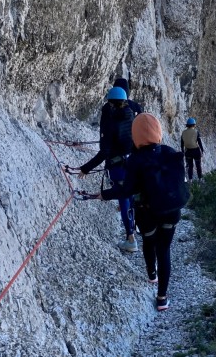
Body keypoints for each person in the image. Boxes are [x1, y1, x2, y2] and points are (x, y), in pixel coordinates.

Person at [102, 113, 182, 311]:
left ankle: (151, 275)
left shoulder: (135, 160)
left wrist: (102, 194)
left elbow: (126, 190)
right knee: (164, 250)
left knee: (148, 241)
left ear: (135, 135)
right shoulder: (170, 151)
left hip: (147, 212)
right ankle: (162, 298)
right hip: (171, 210)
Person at [79, 86, 137, 252]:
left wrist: (85, 168)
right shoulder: (131, 117)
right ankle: (132, 232)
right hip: (132, 163)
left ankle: (131, 239)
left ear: (111, 104)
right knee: (129, 197)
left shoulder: (111, 123)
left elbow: (104, 152)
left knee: (123, 198)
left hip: (118, 166)